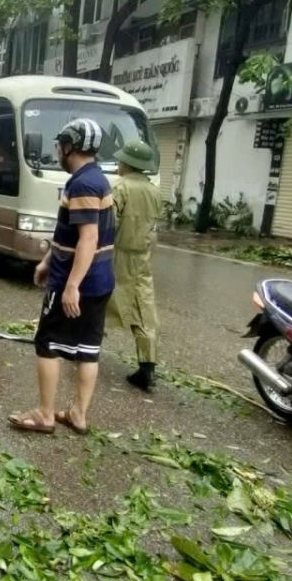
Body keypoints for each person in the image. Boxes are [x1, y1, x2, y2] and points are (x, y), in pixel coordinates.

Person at [9, 118, 116, 435]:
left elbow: (88, 239)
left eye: (59, 145)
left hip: (76, 283)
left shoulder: (82, 184)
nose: (57, 150)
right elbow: (68, 236)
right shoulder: (97, 179)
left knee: (48, 344)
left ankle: (45, 415)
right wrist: (45, 260)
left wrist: (71, 286)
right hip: (100, 282)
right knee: (87, 349)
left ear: (70, 146)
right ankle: (78, 415)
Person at [107, 140, 163, 392]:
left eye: (120, 160)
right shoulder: (154, 191)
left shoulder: (119, 188)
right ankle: (147, 366)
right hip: (143, 256)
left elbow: (109, 224)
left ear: (127, 164)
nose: (118, 164)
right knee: (144, 307)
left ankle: (83, 351)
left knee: (98, 300)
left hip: (118, 254)